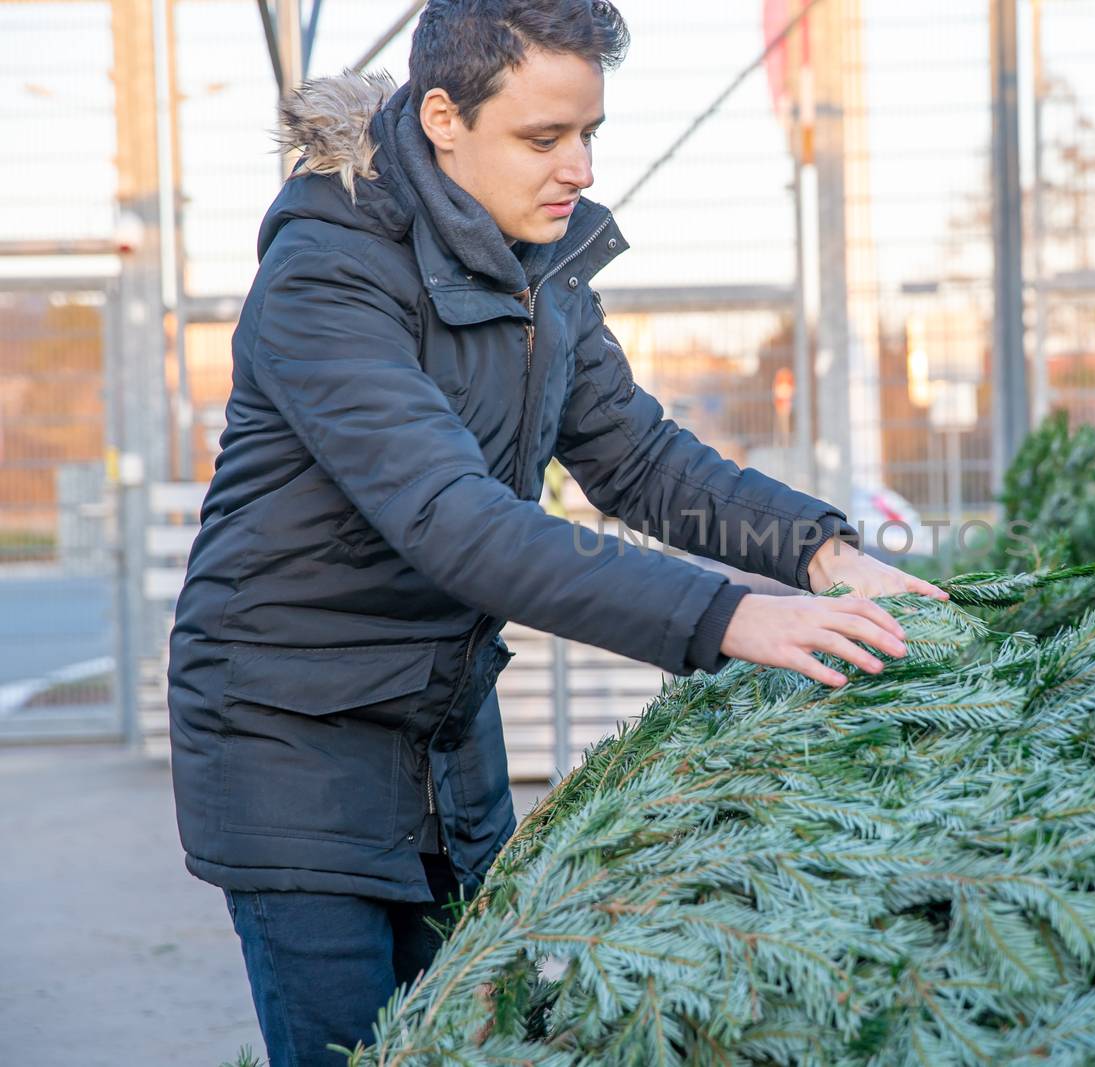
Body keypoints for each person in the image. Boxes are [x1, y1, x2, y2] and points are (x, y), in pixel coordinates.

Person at [165, 1, 946, 1062]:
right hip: (291, 747)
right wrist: (729, 615)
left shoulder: (541, 268)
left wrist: (822, 553)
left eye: (589, 134)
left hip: (445, 745)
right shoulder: (326, 275)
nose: (577, 168)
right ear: (443, 116)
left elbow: (640, 459)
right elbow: (455, 522)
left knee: (476, 1042)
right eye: (544, 138)